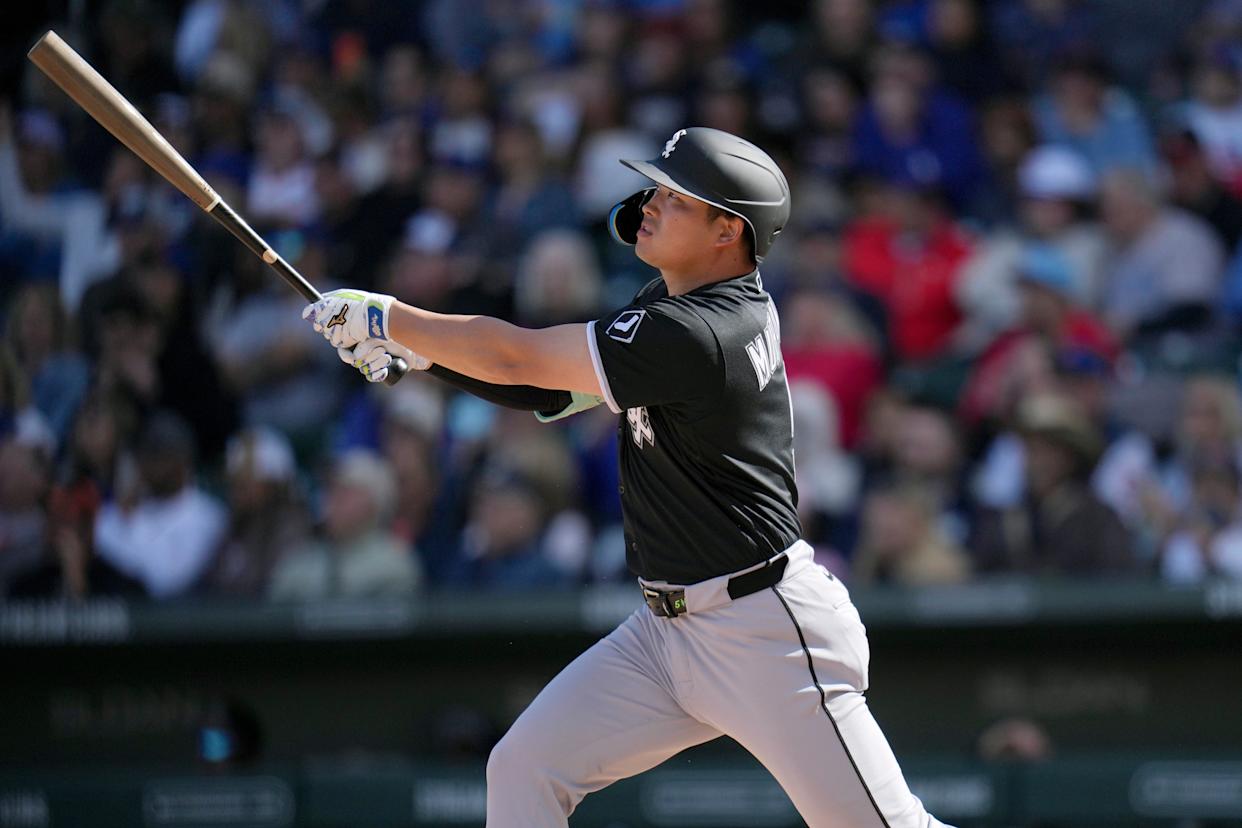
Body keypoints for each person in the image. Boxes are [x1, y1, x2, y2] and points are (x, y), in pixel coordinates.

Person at [301, 128, 948, 826]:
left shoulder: (704, 329)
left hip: (765, 634)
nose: (649, 203)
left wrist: (392, 319)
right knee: (524, 767)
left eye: (675, 197)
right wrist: (423, 359)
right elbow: (551, 391)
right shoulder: (680, 301)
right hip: (665, 635)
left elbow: (519, 358)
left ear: (728, 229)